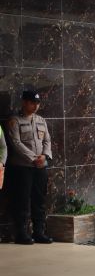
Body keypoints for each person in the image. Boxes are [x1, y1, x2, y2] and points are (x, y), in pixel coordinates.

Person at [7, 90, 53, 245]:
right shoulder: (14, 120)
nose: (36, 106)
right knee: (22, 201)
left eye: (37, 103)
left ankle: (39, 232)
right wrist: (34, 158)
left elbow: (47, 140)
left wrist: (45, 156)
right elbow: (16, 143)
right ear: (24, 102)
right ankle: (21, 233)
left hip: (40, 167)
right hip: (23, 168)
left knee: (39, 200)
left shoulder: (41, 120)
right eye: (33, 102)